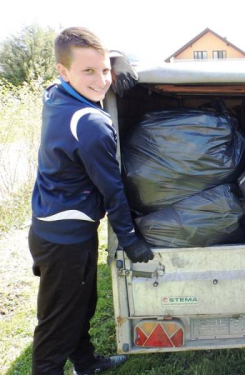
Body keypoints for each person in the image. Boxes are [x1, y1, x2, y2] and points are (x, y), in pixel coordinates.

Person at [28, 27, 154, 375]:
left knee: (79, 306)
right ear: (63, 70)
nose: (101, 81)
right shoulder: (90, 124)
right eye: (89, 72)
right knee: (57, 322)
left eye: (103, 71)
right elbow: (112, 188)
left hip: (53, 228)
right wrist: (129, 240)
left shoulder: (56, 95)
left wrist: (115, 58)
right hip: (64, 240)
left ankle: (85, 363)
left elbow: (88, 60)